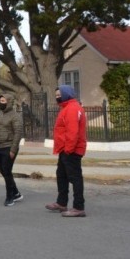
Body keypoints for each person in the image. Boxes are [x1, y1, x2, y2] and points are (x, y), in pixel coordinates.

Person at [47, 85, 87, 217]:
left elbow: (73, 132)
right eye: (56, 95)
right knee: (62, 176)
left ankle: (78, 207)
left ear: (66, 94)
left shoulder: (72, 108)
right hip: (65, 149)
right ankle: (61, 203)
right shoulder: (66, 108)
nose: (57, 97)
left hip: (71, 150)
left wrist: (69, 150)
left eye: (59, 95)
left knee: (75, 178)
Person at [0, 93, 24, 207]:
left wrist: (13, 150)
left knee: (7, 171)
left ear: (9, 102)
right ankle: (16, 193)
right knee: (5, 172)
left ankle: (10, 197)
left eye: (3, 101)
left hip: (9, 147)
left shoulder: (15, 116)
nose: (1, 103)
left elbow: (18, 133)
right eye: (0, 101)